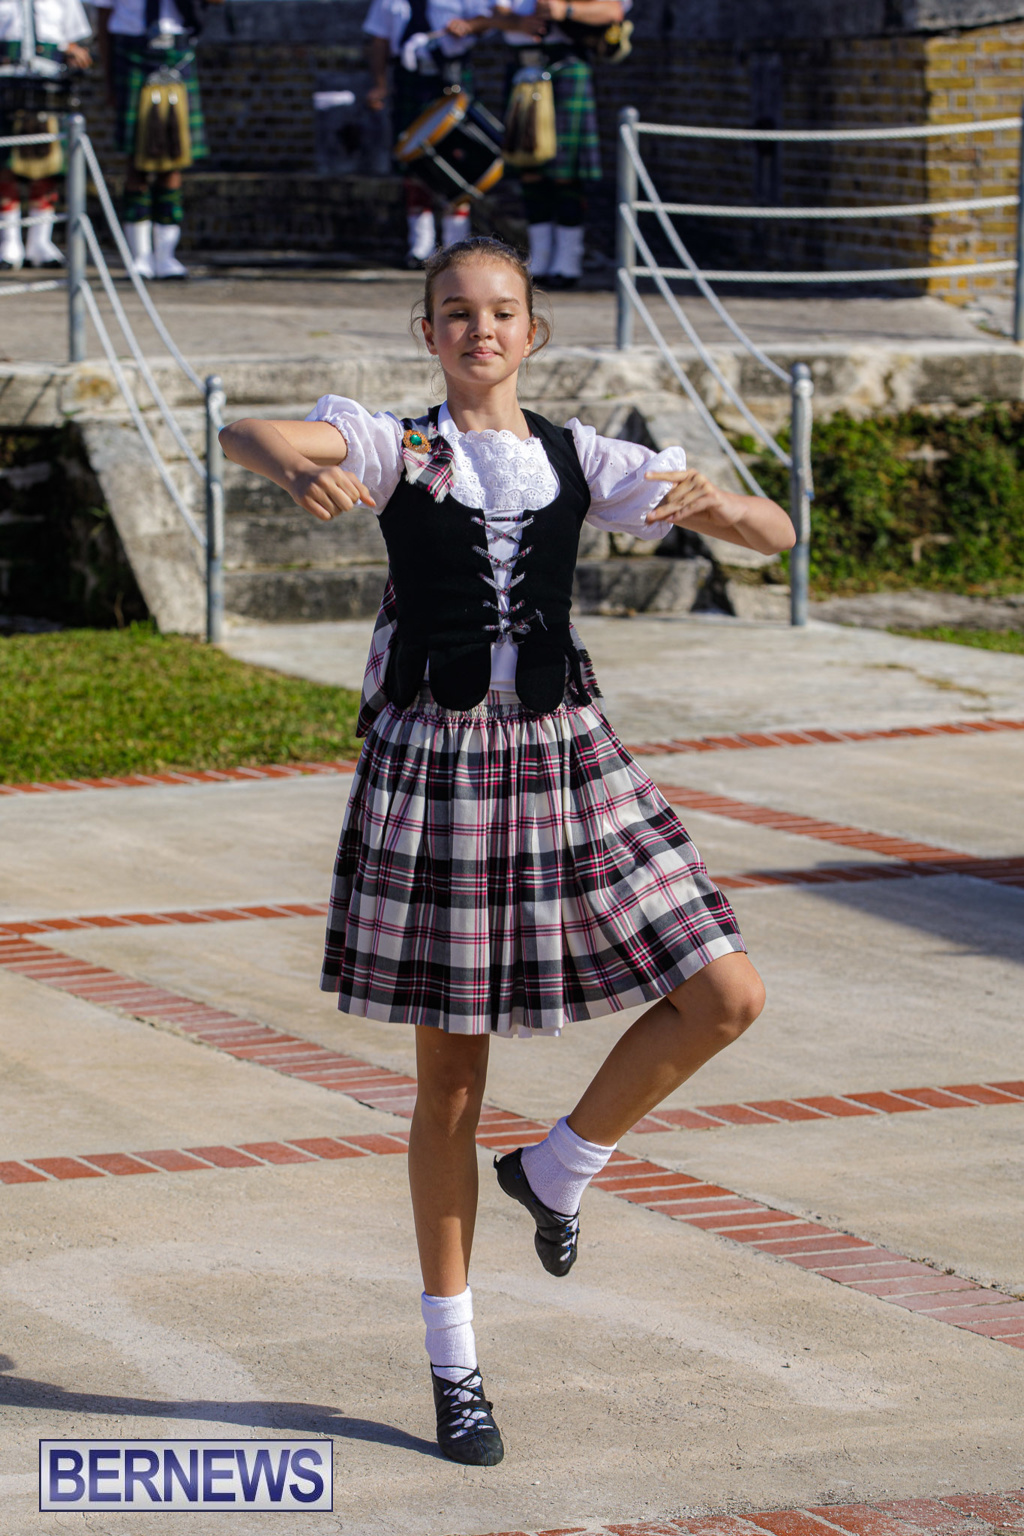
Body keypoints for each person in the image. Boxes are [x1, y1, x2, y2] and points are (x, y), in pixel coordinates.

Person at [219, 235, 794, 1467]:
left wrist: (718, 507)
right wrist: (287, 462)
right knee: (450, 1090)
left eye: (500, 311)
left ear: (533, 332)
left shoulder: (586, 457)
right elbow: (247, 432)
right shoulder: (395, 444)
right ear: (427, 334)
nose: (479, 329)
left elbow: (774, 530)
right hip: (439, 768)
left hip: (571, 755)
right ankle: (456, 1367)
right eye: (455, 312)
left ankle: (560, 1165)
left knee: (726, 992)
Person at [449, 0, 628, 285]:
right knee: (528, 168)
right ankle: (539, 259)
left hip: (566, 65)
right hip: (523, 68)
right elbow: (492, 13)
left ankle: (568, 262)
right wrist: (517, 23)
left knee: (565, 171)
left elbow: (612, 11)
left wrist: (565, 11)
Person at [92, 0, 219, 279]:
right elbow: (103, 18)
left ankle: (166, 256)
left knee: (174, 157)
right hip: (131, 50)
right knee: (136, 160)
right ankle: (139, 257)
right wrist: (109, 79)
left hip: (176, 50)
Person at [363, 0, 491, 266]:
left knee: (457, 159)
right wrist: (379, 84)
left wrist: (468, 25)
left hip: (451, 75)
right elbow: (379, 40)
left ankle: (457, 243)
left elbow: (489, 20)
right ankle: (420, 245)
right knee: (413, 160)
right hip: (409, 78)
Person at [0, 0, 91, 269]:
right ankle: (8, 243)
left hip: (49, 82)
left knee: (47, 164)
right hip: (5, 81)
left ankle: (40, 243)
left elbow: (76, 37)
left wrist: (72, 50)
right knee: (5, 164)